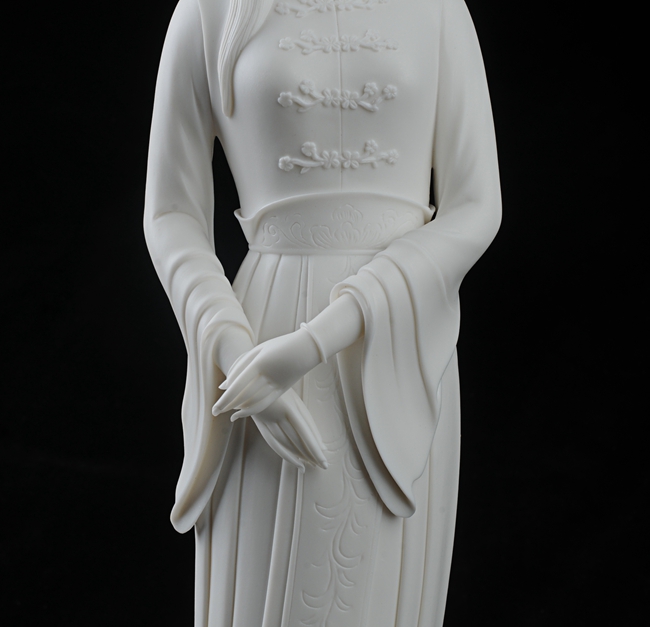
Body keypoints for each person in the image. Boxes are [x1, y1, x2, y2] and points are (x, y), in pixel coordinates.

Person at [144, 0, 501, 625]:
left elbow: (476, 205)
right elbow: (170, 214)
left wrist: (317, 340)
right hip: (262, 340)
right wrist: (230, 347)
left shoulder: (440, 11)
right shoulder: (208, 11)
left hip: (400, 340)